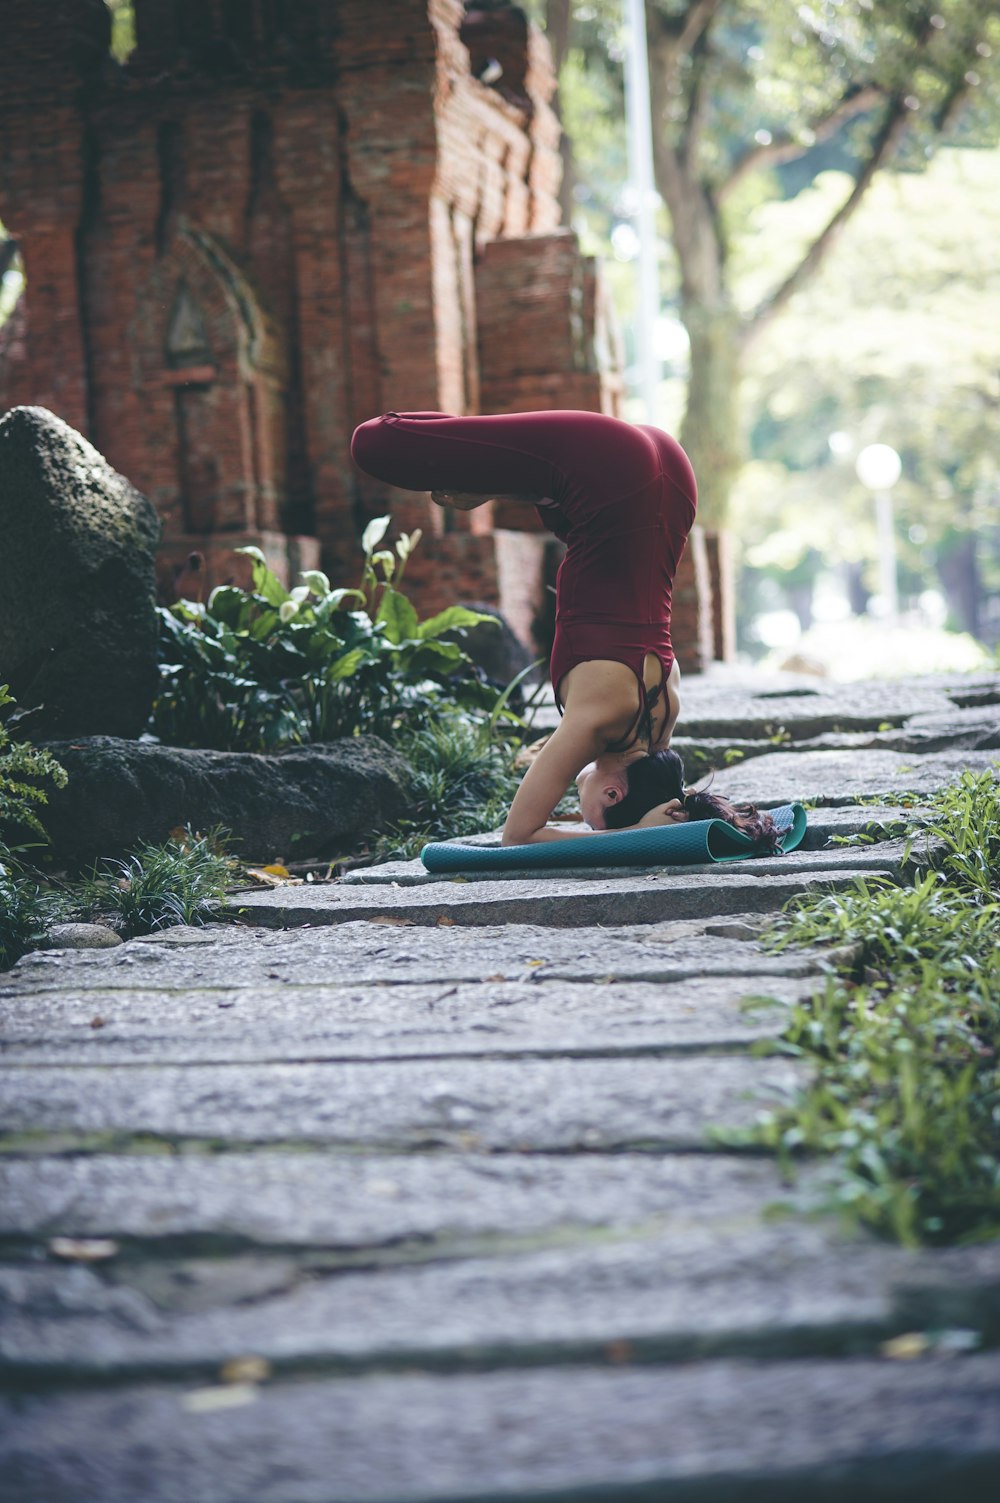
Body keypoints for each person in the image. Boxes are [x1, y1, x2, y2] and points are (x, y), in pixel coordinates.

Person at [351, 409, 780, 852]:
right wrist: (624, 836)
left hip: (669, 485)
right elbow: (518, 836)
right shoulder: (597, 724)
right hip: (610, 469)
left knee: (552, 512)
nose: (581, 818)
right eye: (594, 820)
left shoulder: (661, 725)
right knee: (375, 442)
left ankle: (494, 483)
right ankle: (491, 479)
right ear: (614, 795)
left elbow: (676, 809)